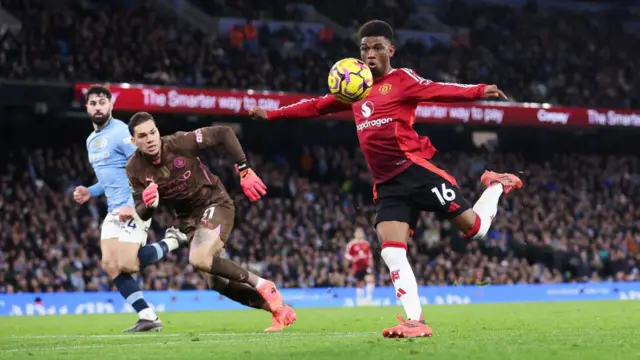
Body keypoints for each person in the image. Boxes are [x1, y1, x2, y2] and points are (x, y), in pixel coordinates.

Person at [249, 20, 523, 338]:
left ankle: (497, 184)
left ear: (391, 50)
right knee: (392, 251)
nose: (370, 54)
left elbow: (437, 90)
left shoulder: (402, 79)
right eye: (364, 48)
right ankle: (415, 321)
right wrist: (272, 114)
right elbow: (315, 106)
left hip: (416, 172)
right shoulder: (354, 89)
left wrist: (478, 90)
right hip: (388, 184)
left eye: (377, 47)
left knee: (475, 230)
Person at [124, 112, 296, 332]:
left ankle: (263, 284)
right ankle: (279, 311)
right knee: (217, 283)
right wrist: (149, 205)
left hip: (214, 203)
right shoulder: (134, 169)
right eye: (142, 136)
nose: (150, 139)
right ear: (134, 141)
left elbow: (224, 133)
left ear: (158, 131)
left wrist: (244, 170)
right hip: (189, 220)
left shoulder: (179, 142)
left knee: (198, 257)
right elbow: (142, 212)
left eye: (153, 132)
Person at [73, 85, 187, 332]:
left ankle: (173, 241)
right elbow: (109, 178)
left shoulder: (122, 132)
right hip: (114, 209)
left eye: (102, 102)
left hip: (133, 205)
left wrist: (132, 201)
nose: (98, 106)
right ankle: (148, 316)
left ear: (111, 105)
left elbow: (144, 166)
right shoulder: (91, 141)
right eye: (93, 103)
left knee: (128, 264)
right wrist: (89, 191)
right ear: (87, 107)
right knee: (110, 265)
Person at [345, 228, 375, 305]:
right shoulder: (352, 244)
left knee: (370, 279)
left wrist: (370, 262)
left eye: (360, 233)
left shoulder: (366, 244)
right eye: (358, 233)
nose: (359, 234)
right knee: (359, 282)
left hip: (366, 265)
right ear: (355, 234)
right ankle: (360, 300)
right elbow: (347, 255)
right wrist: (353, 259)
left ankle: (369, 298)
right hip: (357, 267)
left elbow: (370, 255)